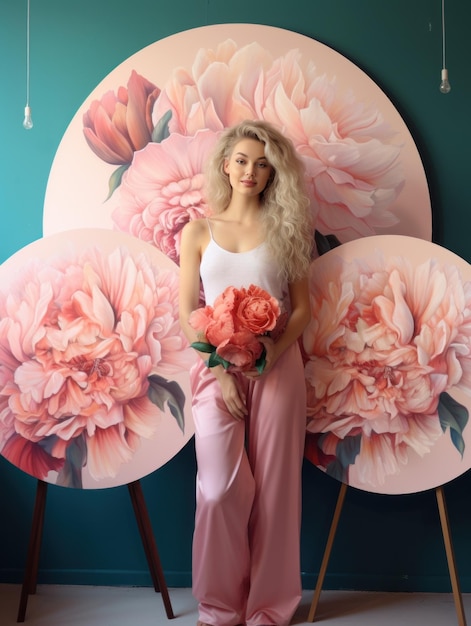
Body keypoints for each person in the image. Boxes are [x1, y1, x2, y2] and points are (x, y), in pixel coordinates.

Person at [179, 120, 313, 626]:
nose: (250, 171)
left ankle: (267, 610)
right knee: (218, 490)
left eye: (262, 163)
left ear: (273, 171)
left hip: (277, 370)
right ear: (224, 164)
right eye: (241, 160)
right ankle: (218, 610)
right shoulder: (197, 231)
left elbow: (301, 310)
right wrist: (219, 374)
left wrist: (271, 358)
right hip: (215, 373)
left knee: (278, 493)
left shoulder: (289, 231)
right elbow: (185, 312)